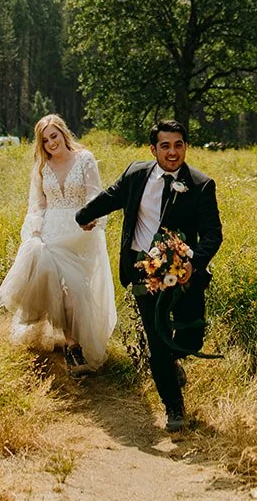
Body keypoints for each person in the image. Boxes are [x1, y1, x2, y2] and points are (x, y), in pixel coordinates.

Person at [75, 120, 222, 432]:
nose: (172, 152)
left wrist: (193, 262)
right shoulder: (136, 174)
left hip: (184, 275)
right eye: (165, 146)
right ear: (153, 149)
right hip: (143, 270)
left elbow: (213, 234)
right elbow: (111, 197)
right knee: (157, 341)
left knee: (189, 338)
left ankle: (173, 360)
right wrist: (83, 216)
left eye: (178, 145)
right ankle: (173, 408)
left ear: (185, 146)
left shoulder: (201, 184)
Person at [0, 114, 117, 371]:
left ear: (63, 133)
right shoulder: (42, 166)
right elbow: (38, 204)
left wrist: (92, 217)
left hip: (79, 233)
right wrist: (35, 231)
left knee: (75, 294)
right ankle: (72, 346)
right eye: (45, 139)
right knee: (58, 291)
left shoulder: (85, 159)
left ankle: (75, 341)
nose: (51, 143)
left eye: (54, 135)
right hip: (51, 234)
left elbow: (95, 192)